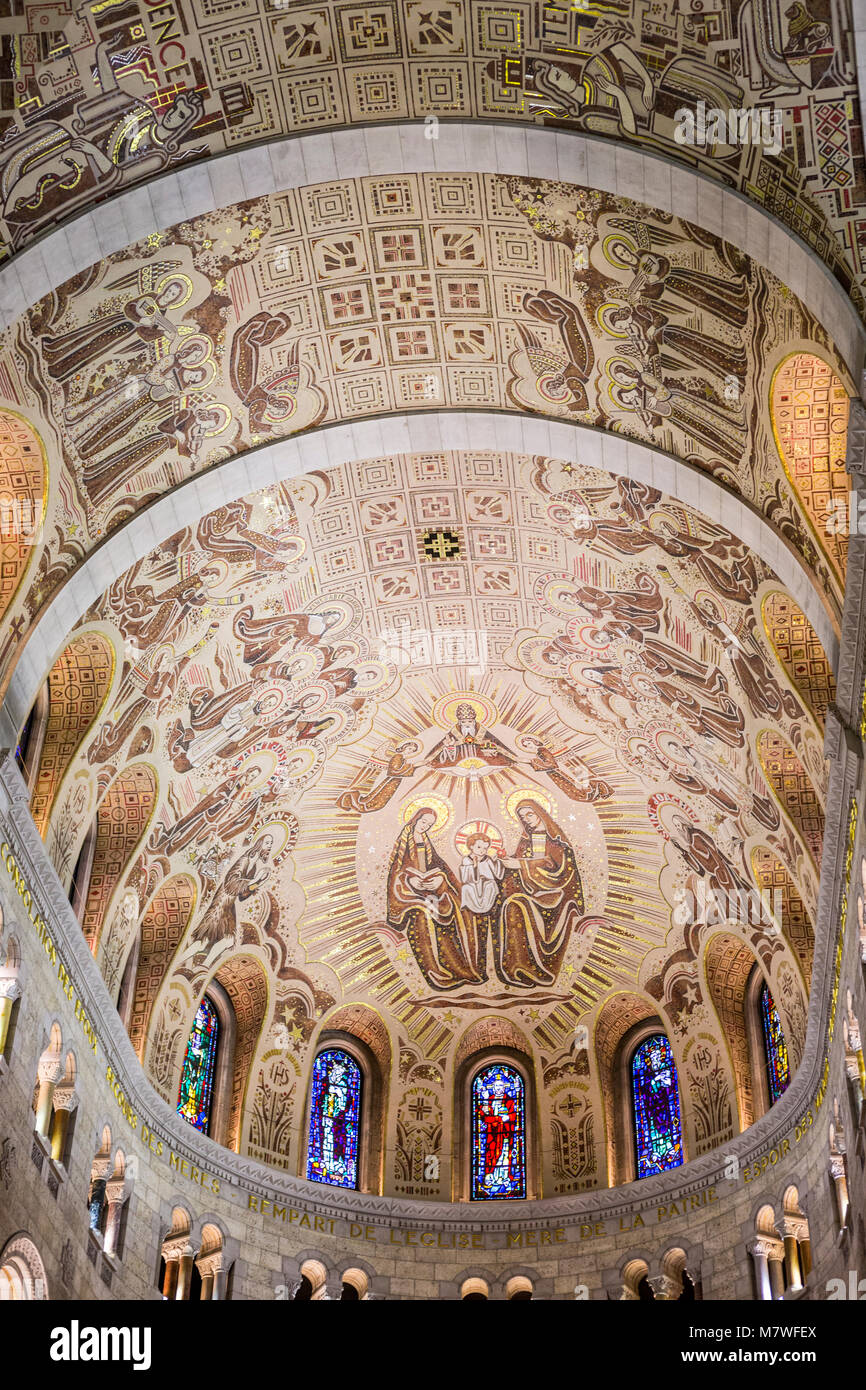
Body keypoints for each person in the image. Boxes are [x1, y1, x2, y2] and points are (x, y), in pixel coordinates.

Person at [386, 808, 482, 990]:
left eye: (429, 825)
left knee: (455, 906)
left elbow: (438, 866)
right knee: (424, 914)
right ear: (415, 819)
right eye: (424, 822)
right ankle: (436, 972)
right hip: (409, 895)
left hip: (430, 889)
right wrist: (410, 880)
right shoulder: (404, 841)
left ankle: (458, 970)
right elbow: (395, 872)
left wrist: (440, 879)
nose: (425, 826)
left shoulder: (426, 841)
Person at [494, 801, 584, 987]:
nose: (526, 820)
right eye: (522, 817)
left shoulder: (558, 844)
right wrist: (506, 863)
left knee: (518, 904)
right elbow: (518, 867)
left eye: (529, 814)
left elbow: (560, 873)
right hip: (531, 894)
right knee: (512, 905)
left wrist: (522, 865)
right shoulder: (525, 840)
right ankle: (519, 967)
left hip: (556, 896)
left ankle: (539, 968)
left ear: (540, 813)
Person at [459, 832, 505, 979]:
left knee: (495, 932)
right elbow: (465, 878)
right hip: (474, 896)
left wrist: (497, 861)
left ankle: (498, 968)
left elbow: (498, 875)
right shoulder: (466, 860)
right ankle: (480, 970)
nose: (482, 850)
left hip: (489, 896)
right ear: (471, 846)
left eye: (485, 848)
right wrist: (474, 866)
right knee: (479, 933)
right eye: (479, 847)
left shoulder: (488, 859)